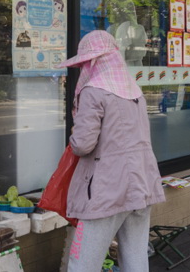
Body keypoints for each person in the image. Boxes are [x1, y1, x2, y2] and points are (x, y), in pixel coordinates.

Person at [56, 30, 165, 271]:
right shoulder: (135, 91)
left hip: (106, 189)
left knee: (83, 262)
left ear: (94, 61)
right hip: (142, 183)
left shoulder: (93, 91)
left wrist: (74, 135)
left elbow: (82, 144)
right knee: (135, 258)